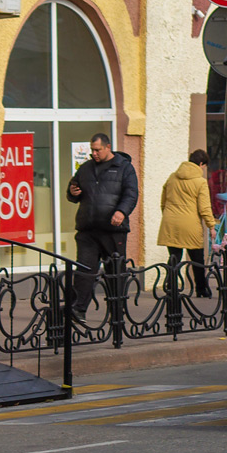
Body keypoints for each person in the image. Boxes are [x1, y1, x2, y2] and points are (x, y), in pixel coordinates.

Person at [66, 133, 138, 322]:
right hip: (88, 229)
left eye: (98, 150)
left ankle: (117, 312)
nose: (94, 154)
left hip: (113, 230)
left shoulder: (124, 168)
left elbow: (131, 194)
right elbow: (73, 190)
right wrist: (72, 192)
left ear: (108, 147)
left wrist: (121, 212)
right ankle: (78, 309)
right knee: (84, 271)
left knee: (115, 272)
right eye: (92, 150)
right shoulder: (86, 168)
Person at [157, 150, 216, 299]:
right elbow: (204, 208)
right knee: (197, 259)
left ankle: (171, 288)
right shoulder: (200, 182)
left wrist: (168, 215)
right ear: (201, 164)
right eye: (204, 167)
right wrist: (211, 226)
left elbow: (163, 201)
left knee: (174, 257)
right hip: (190, 225)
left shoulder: (172, 177)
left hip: (170, 222)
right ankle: (201, 289)